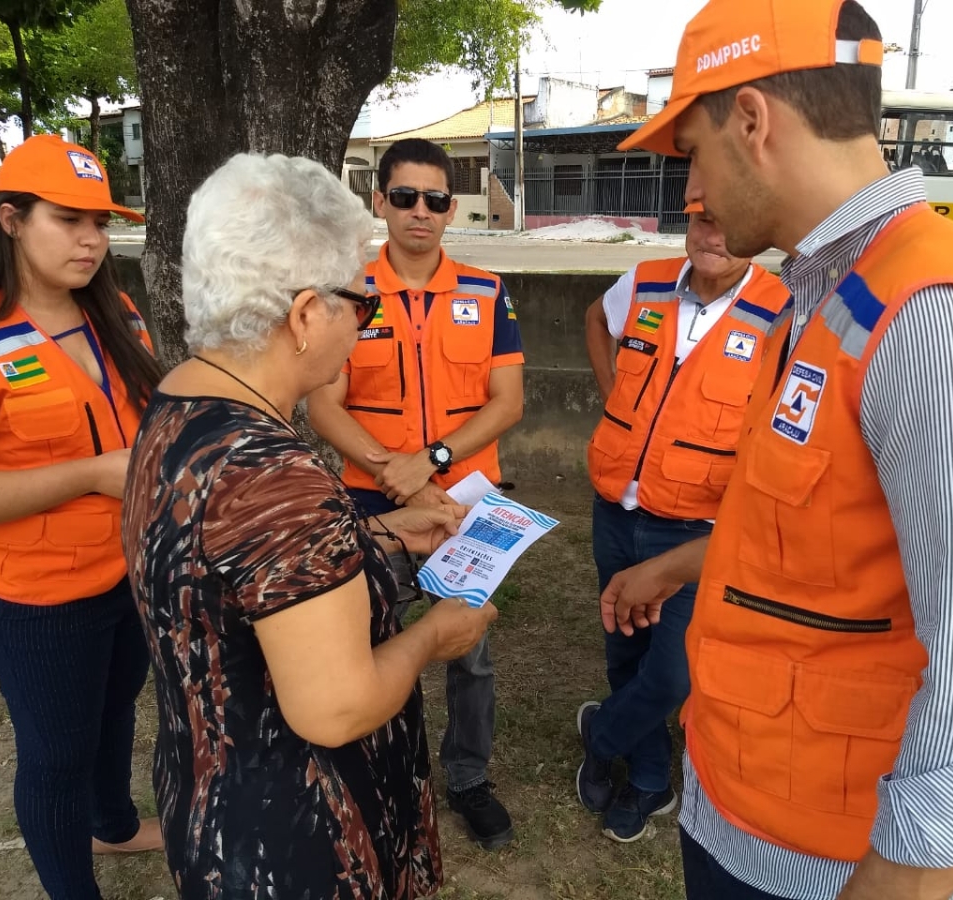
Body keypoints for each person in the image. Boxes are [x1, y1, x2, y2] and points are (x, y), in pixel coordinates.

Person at [605, 2, 953, 898]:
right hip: (741, 806)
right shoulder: (830, 290)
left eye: (693, 152)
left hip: (822, 862)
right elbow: (819, 527)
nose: (694, 191)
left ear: (752, 120)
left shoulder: (935, 318)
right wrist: (678, 568)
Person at [121, 152, 498, 899]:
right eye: (361, 304)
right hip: (297, 844)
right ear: (303, 315)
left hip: (211, 798)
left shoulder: (179, 404)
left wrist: (380, 535)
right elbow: (335, 707)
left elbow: (233, 572)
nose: (365, 324)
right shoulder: (273, 474)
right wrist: (434, 636)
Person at [0, 135, 163, 900]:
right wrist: (91, 474)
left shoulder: (117, 313)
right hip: (35, 598)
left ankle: (114, 826)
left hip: (128, 574)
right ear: (9, 219)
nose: (92, 241)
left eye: (101, 224)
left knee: (113, 718)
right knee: (56, 757)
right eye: (69, 220)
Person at [309, 137, 523, 850]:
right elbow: (324, 404)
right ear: (380, 202)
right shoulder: (351, 293)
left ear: (452, 207)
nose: (420, 212)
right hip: (374, 502)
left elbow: (506, 401)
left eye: (435, 199)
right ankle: (380, 779)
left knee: (471, 649)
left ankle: (467, 778)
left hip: (467, 500)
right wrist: (387, 465)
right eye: (405, 197)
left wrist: (428, 460)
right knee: (369, 641)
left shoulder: (488, 292)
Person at [576, 202, 790, 843]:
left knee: (673, 672)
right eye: (701, 221)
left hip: (697, 528)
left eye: (729, 224)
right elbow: (595, 319)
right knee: (625, 649)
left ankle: (601, 734)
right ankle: (648, 780)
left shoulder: (784, 312)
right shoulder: (643, 283)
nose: (713, 236)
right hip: (617, 508)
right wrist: (613, 389)